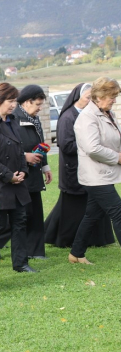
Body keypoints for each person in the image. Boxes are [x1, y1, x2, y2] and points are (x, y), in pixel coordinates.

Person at [45, 83, 115, 248]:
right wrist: (91, 146)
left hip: (92, 169)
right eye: (87, 98)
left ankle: (97, 239)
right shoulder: (68, 117)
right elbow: (66, 145)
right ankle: (64, 239)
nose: (90, 101)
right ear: (78, 97)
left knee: (94, 205)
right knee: (72, 209)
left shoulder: (92, 115)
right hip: (73, 170)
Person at [0, 83, 36, 273]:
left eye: (15, 101)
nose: (13, 105)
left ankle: (20, 263)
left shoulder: (12, 120)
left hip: (17, 181)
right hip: (0, 183)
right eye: (10, 101)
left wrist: (22, 171)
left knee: (20, 221)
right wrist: (8, 176)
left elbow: (19, 150)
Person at [69, 77, 121, 265]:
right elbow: (92, 148)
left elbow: (113, 138)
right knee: (118, 212)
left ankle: (76, 253)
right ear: (99, 97)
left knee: (92, 215)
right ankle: (76, 252)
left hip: (103, 174)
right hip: (95, 176)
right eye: (111, 96)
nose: (114, 100)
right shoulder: (87, 118)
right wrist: (117, 157)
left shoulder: (107, 114)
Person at [12, 85, 52, 259]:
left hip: (35, 171)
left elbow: (41, 143)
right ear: (27, 102)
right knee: (23, 214)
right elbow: (8, 148)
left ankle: (36, 250)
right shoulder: (14, 118)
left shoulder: (35, 119)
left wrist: (45, 166)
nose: (39, 108)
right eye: (37, 104)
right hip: (19, 172)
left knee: (36, 212)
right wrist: (24, 157)